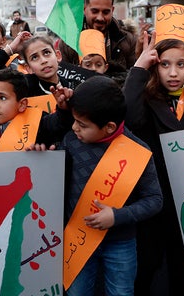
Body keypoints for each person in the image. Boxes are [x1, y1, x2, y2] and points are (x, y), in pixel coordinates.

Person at [62, 76, 163, 295]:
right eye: (74, 121)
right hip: (77, 240)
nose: (74, 128)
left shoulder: (138, 151)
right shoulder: (70, 140)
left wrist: (118, 216)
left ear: (109, 127)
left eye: (82, 124)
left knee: (121, 292)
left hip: (120, 243)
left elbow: (155, 200)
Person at [123, 31, 184, 295]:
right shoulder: (146, 97)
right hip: (155, 195)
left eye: (181, 64)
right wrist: (139, 67)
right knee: (148, 264)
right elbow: (129, 116)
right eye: (165, 64)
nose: (173, 72)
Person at [83, 0, 136, 84]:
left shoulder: (128, 41)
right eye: (95, 11)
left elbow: (134, 79)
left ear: (112, 10)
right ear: (84, 9)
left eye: (105, 12)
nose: (100, 18)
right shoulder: (70, 42)